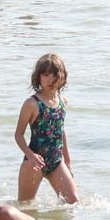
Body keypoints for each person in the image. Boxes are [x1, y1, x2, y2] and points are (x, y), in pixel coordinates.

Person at [15, 52, 77, 203]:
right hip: (34, 162)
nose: (51, 79)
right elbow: (18, 135)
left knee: (73, 204)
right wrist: (31, 155)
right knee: (25, 207)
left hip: (56, 161)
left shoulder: (63, 101)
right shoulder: (32, 104)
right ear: (38, 77)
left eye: (55, 75)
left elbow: (61, 131)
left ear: (63, 76)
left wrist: (68, 162)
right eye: (46, 75)